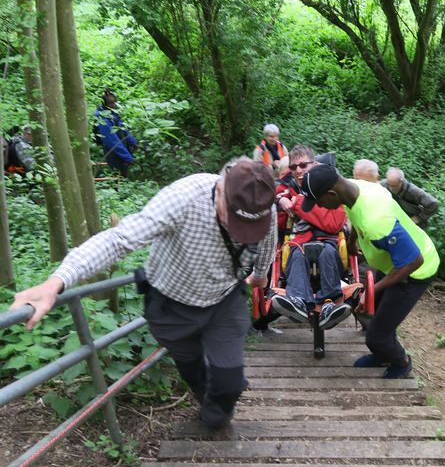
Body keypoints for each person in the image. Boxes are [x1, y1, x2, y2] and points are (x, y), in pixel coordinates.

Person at [10, 159, 278, 429]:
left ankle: (215, 419)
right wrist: (56, 282)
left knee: (229, 380)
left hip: (224, 300)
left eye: (248, 226)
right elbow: (118, 240)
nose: (239, 232)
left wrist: (261, 273)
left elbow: (267, 242)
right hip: (172, 304)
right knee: (193, 370)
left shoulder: (264, 208)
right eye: (233, 219)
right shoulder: (183, 199)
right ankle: (207, 404)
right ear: (219, 190)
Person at [298, 164, 440, 378]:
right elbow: (355, 215)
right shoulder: (354, 189)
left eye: (318, 201)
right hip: (393, 263)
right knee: (372, 312)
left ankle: (401, 362)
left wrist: (372, 287)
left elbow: (414, 261)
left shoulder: (377, 221)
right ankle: (381, 354)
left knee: (376, 336)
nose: (319, 206)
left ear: (331, 194)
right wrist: (354, 241)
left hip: (415, 272)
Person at [269, 145, 351, 330]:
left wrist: (298, 203)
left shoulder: (330, 185)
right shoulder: (286, 186)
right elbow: (268, 189)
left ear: (314, 164)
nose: (298, 170)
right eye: (293, 167)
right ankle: (298, 301)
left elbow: (334, 223)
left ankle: (329, 303)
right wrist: (279, 200)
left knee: (328, 253)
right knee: (296, 254)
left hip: (329, 242)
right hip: (299, 243)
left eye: (303, 165)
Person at [94, 89, 138, 177]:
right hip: (113, 152)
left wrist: (133, 142)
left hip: (123, 147)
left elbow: (123, 128)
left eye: (114, 103)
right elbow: (111, 140)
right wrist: (127, 157)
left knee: (124, 173)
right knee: (117, 176)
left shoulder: (114, 113)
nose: (113, 105)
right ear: (104, 104)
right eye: (111, 103)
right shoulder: (102, 118)